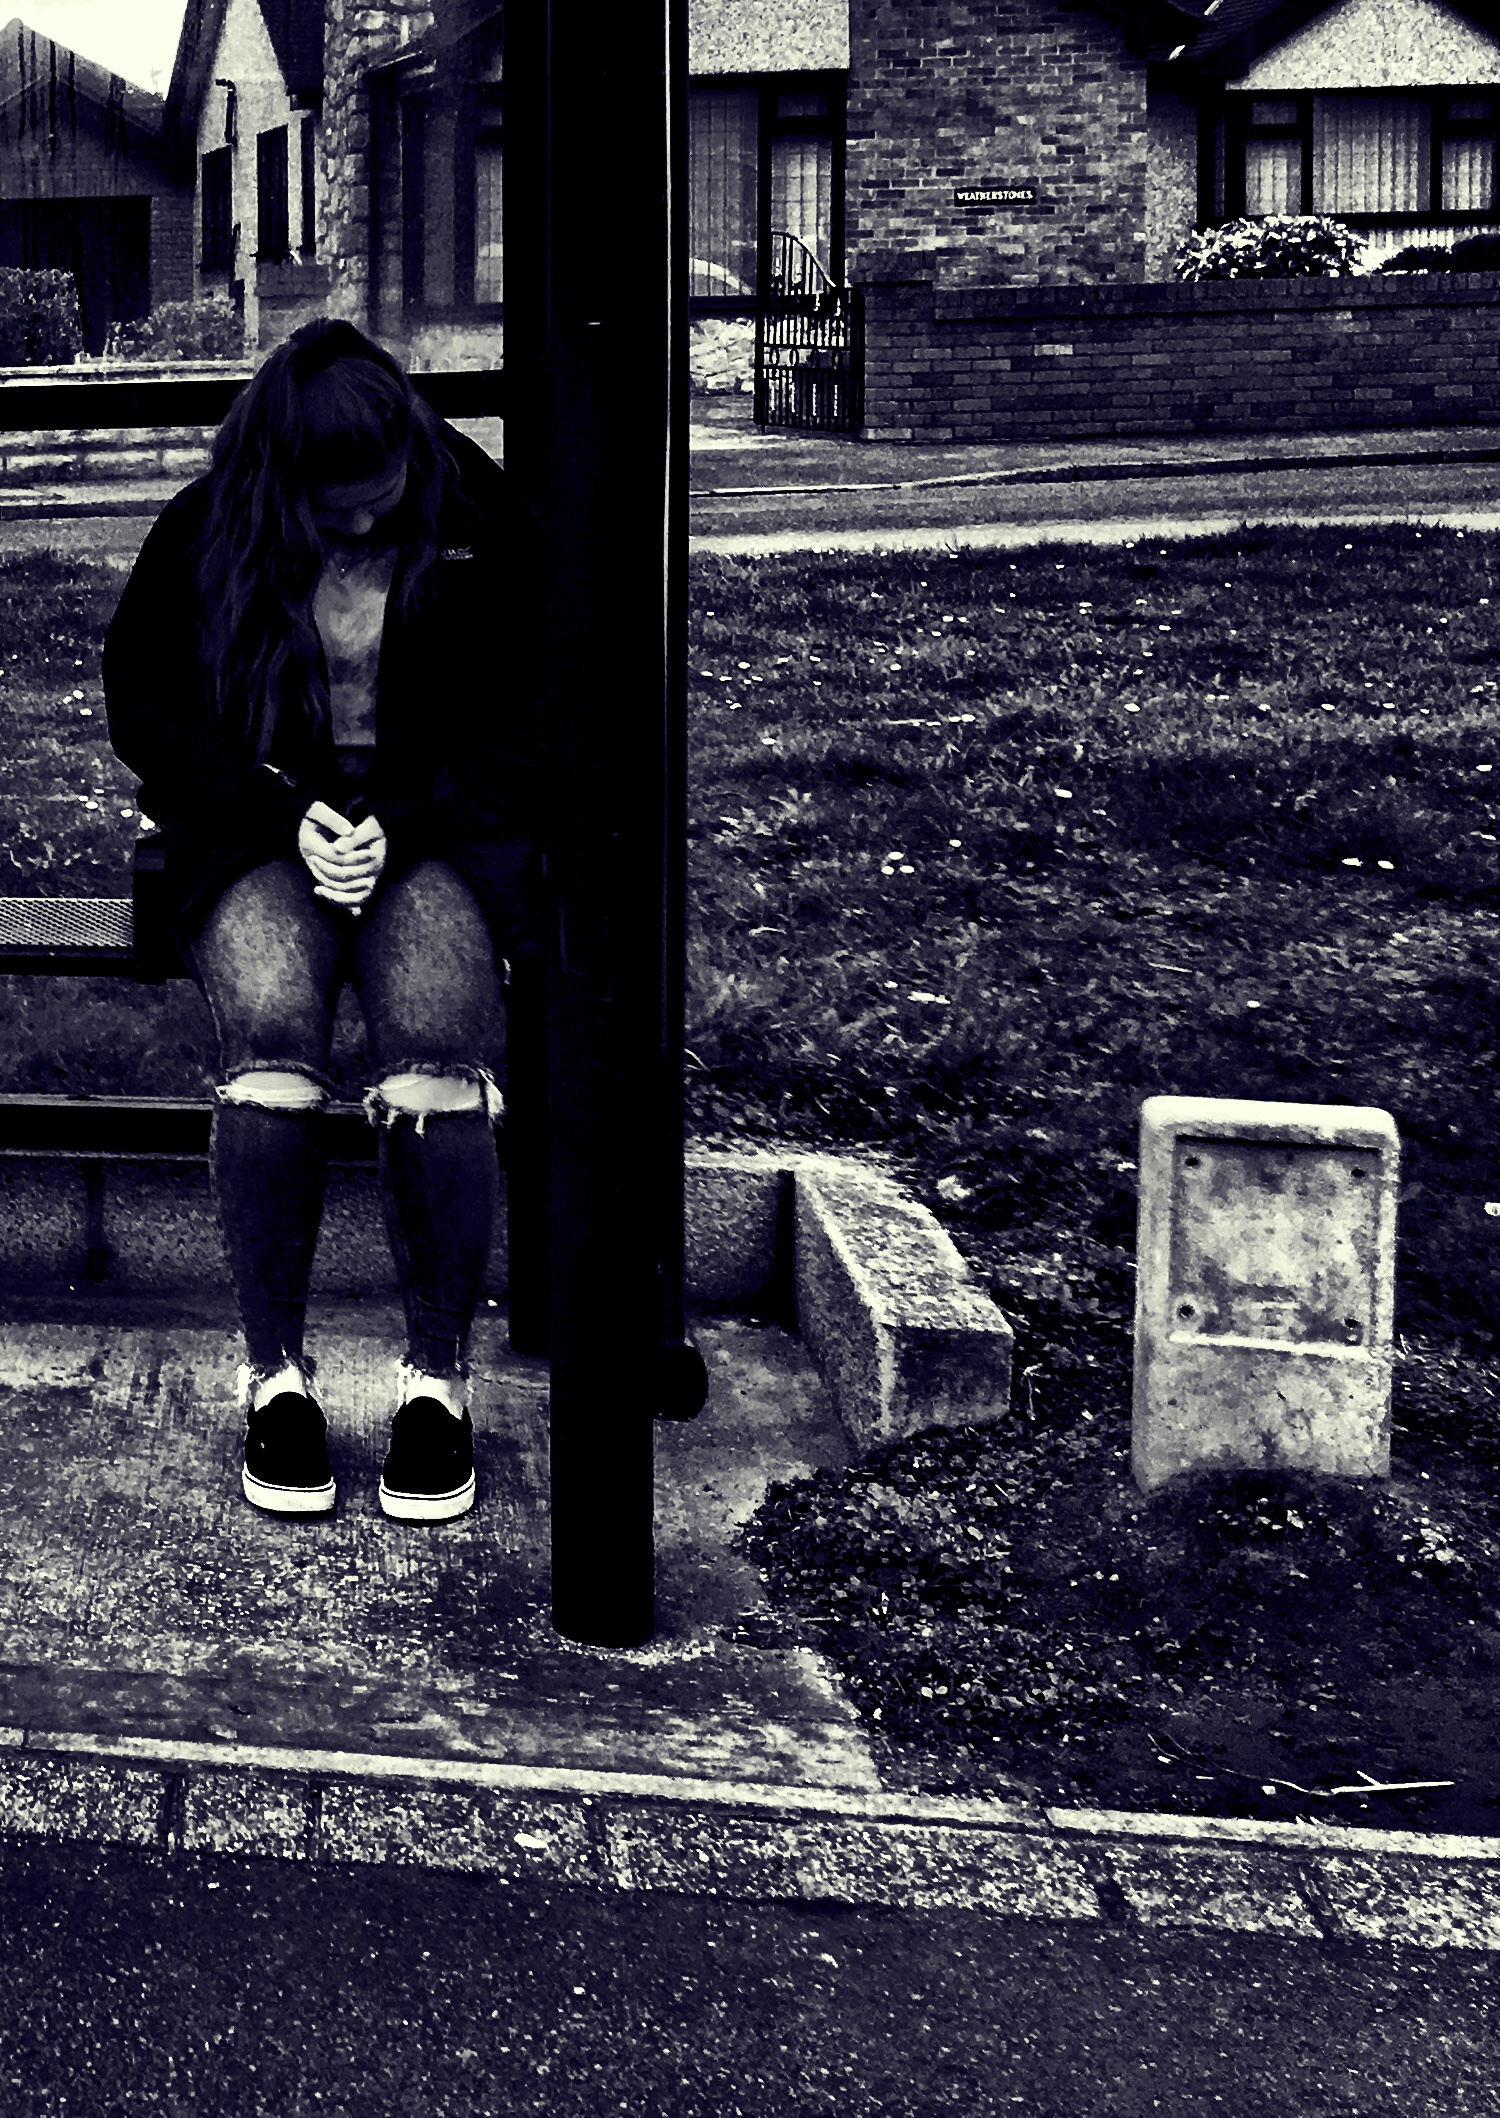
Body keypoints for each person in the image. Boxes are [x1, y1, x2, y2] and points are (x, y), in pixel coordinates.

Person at [102, 316, 541, 1525]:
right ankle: (276, 1381)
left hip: (431, 833)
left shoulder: (475, 510)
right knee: (273, 1038)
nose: (359, 529)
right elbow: (145, 702)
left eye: (379, 505)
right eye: (333, 514)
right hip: (259, 832)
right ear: (280, 481)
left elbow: (533, 710)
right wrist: (281, 812)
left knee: (438, 1047)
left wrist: (399, 817)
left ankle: (437, 1386)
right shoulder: (212, 525)